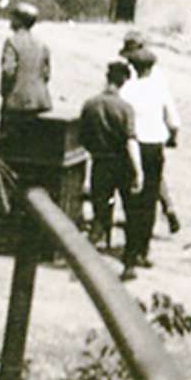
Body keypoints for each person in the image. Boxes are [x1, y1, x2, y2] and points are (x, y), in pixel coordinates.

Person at [116, 41, 180, 273]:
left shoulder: (126, 91)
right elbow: (174, 122)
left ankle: (130, 254)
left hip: (132, 147)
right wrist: (172, 137)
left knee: (132, 200)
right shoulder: (160, 90)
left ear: (132, 66)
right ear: (151, 68)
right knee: (150, 200)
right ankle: (143, 250)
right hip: (154, 149)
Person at [76, 60, 142, 255]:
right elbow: (131, 141)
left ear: (107, 78)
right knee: (130, 210)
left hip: (99, 163)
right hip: (121, 164)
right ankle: (129, 259)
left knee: (101, 208)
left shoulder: (90, 104)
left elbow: (82, 137)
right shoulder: (125, 108)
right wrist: (138, 170)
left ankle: (96, 248)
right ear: (123, 82)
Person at [0, 4, 53, 122]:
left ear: (19, 21)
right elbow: (46, 74)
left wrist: (5, 94)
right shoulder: (42, 44)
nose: (10, 21)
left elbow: (8, 72)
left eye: (13, 18)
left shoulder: (12, 42)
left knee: (11, 140)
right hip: (41, 102)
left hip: (17, 104)